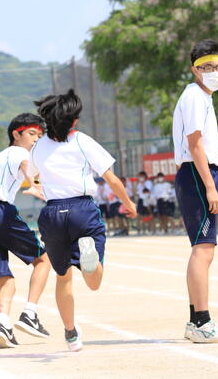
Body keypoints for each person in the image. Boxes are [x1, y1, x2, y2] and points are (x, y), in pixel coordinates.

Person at [29, 90, 137, 352]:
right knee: (94, 282)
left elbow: (32, 177)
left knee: (63, 276)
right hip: (82, 210)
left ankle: (70, 333)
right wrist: (128, 203)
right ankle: (89, 259)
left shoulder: (38, 147)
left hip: (52, 214)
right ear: (74, 121)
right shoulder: (81, 141)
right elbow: (111, 179)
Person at [0, 113, 52, 349]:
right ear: (16, 134)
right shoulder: (18, 152)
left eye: (40, 136)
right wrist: (34, 185)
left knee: (5, 280)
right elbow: (26, 165)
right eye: (32, 134)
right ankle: (30, 314)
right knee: (43, 260)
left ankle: (2, 324)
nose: (36, 139)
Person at [172, 40, 218, 344]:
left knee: (203, 248)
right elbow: (195, 143)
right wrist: (210, 187)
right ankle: (201, 321)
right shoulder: (195, 96)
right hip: (198, 174)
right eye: (207, 67)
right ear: (195, 70)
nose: (214, 72)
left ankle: (195, 320)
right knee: (204, 248)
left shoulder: (201, 97)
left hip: (198, 173)